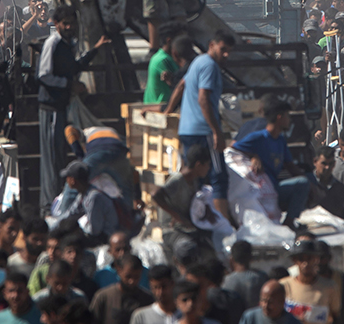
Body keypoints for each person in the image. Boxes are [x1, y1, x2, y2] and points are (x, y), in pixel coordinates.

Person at [38, 6, 110, 213]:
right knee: (52, 158)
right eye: (65, 24)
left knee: (60, 155)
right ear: (57, 24)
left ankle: (59, 202)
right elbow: (43, 75)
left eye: (72, 23)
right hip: (51, 107)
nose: (69, 27)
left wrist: (95, 49)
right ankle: (48, 205)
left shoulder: (69, 45)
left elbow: (74, 68)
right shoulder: (53, 43)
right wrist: (69, 85)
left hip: (62, 107)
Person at [168, 31, 237, 227]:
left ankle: (195, 219)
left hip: (187, 130)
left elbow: (181, 85)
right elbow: (203, 98)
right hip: (202, 131)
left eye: (229, 52)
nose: (225, 55)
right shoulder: (209, 66)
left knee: (195, 177)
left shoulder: (197, 62)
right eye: (223, 50)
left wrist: (167, 111)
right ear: (211, 45)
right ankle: (222, 225)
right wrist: (216, 131)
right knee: (218, 177)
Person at [233, 99, 310, 224]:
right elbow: (232, 149)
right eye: (287, 116)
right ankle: (289, 223)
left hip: (274, 188)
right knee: (302, 183)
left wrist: (312, 184)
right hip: (259, 191)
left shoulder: (280, 140)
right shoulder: (258, 137)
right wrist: (254, 156)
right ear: (279, 118)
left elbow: (290, 166)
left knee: (307, 180)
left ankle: (290, 221)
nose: (290, 120)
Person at [90, 254, 153, 324]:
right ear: (119, 271)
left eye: (136, 277)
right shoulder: (103, 297)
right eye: (128, 276)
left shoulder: (148, 300)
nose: (131, 281)